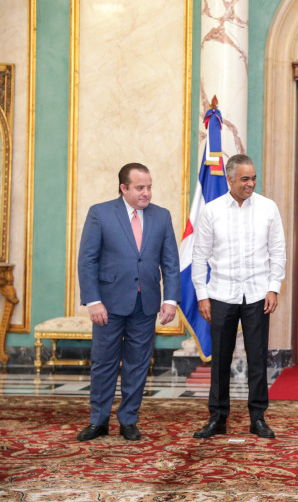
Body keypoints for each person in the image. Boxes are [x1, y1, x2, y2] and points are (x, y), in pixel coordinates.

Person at [77, 163, 180, 441]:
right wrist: (93, 300)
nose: (146, 193)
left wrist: (170, 299)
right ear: (124, 188)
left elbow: (171, 262)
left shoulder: (161, 216)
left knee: (138, 363)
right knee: (104, 363)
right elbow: (87, 260)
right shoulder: (100, 213)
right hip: (108, 304)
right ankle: (98, 421)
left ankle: (129, 420)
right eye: (140, 187)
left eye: (149, 187)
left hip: (146, 304)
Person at [191, 154, 287, 440]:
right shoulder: (211, 211)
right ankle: (217, 418)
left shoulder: (268, 208)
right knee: (220, 360)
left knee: (257, 359)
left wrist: (273, 287)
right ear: (229, 179)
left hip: (258, 294)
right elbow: (199, 255)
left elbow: (278, 251)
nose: (251, 184)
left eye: (253, 178)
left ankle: (257, 418)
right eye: (245, 179)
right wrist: (202, 295)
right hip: (221, 294)